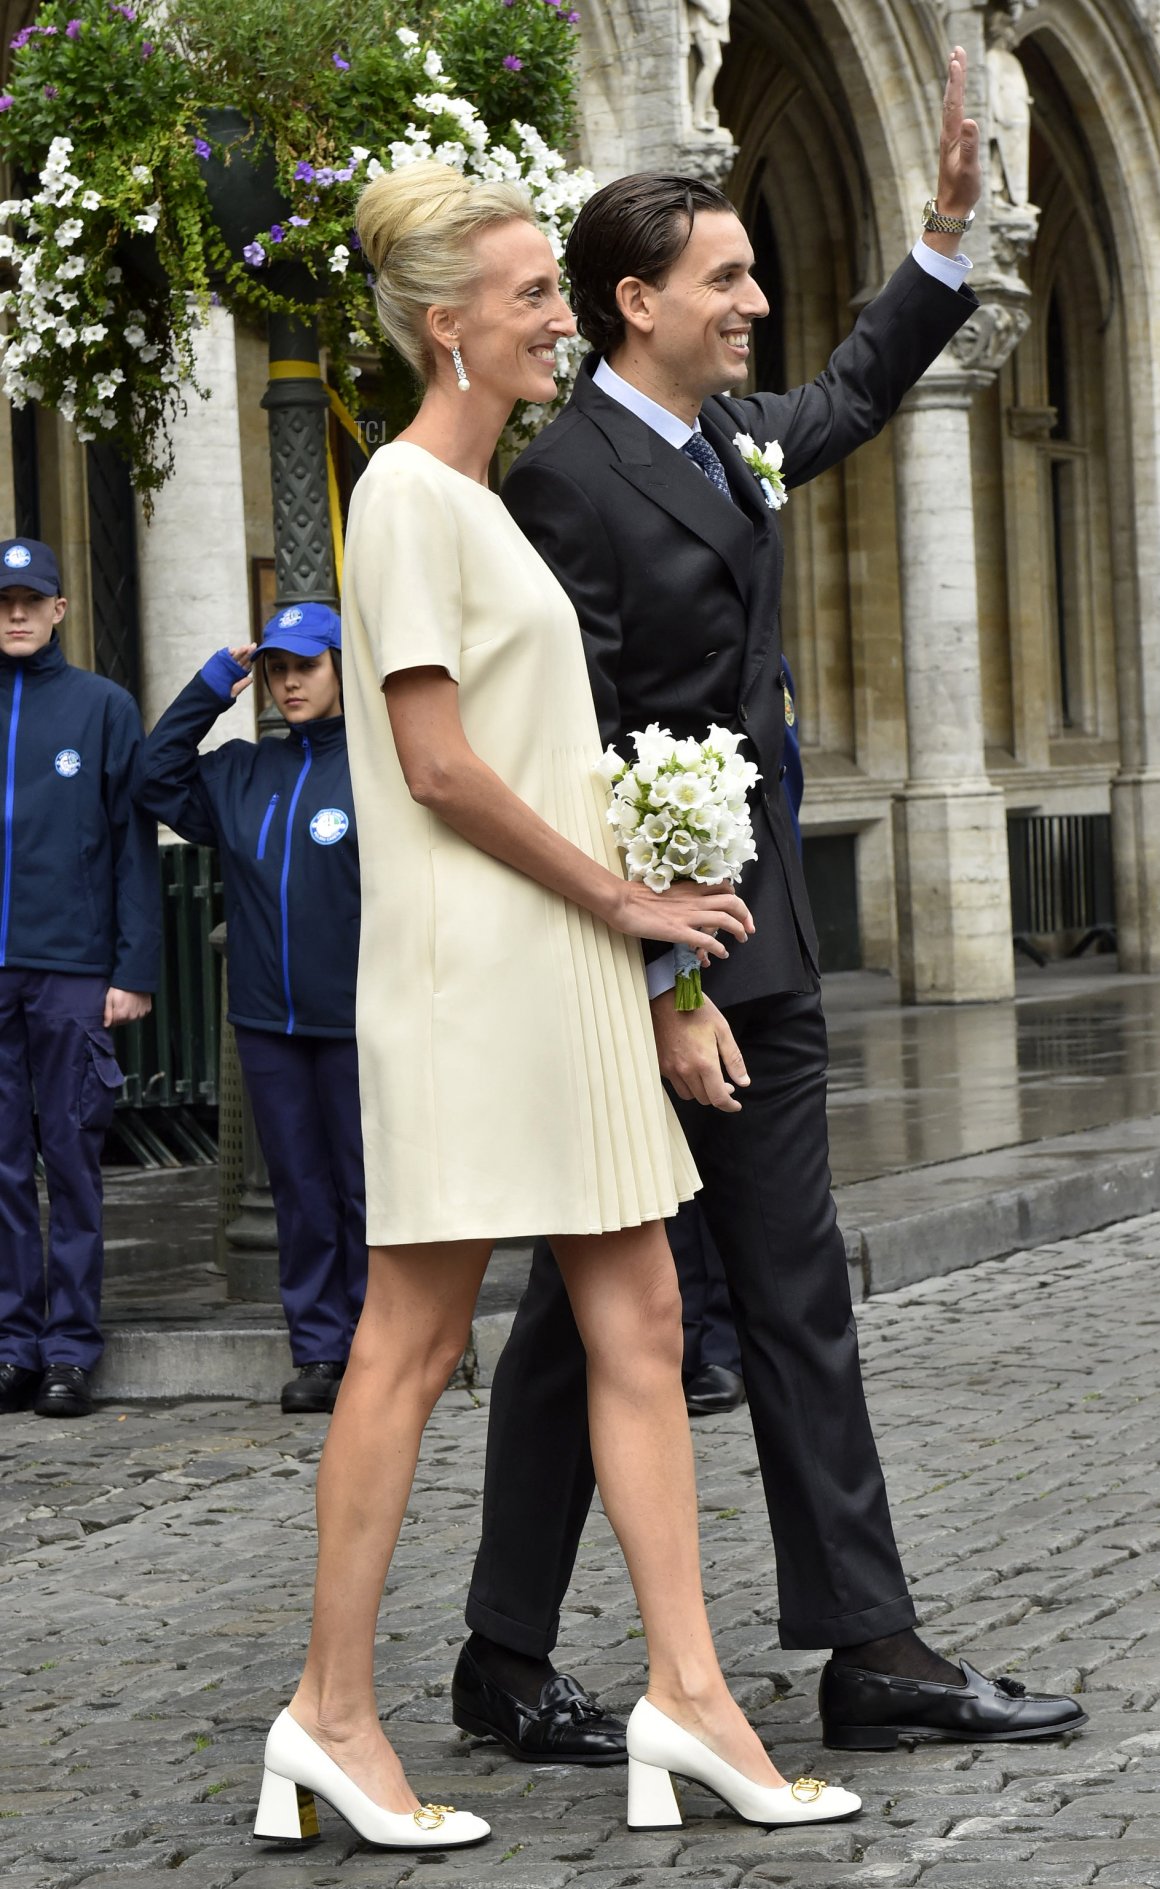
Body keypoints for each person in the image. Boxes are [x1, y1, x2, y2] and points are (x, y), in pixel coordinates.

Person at [453, 48, 1088, 1757]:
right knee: (592, 1312)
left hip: (766, 942)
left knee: (782, 1286)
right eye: (725, 279)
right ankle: (507, 1651)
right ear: (632, 300)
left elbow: (859, 389)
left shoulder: (734, 435)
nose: (753, 302)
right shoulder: (560, 481)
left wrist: (945, 239)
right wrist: (662, 987)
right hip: (645, 966)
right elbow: (571, 749)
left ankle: (863, 1645)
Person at [250, 162, 862, 1856]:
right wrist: (627, 900)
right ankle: (331, 1711)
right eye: (529, 294)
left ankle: (695, 1693)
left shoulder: (488, 491)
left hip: (571, 964)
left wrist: (653, 966)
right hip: (475, 970)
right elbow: (439, 764)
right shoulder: (405, 504)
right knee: (414, 1338)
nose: (554, 315)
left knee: (647, 1317)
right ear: (448, 323)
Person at [134, 605, 367, 1414]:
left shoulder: (377, 767)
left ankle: (381, 1348)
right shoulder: (239, 771)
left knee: (367, 1188)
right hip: (269, 1022)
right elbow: (152, 775)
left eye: (306, 665)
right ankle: (320, 1350)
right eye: (277, 668)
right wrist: (209, 686)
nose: (290, 681)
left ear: (342, 667)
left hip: (358, 1022)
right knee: (302, 1190)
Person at [0, 536, 158, 1420]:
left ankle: (69, 1349)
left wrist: (132, 966)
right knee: (1, 1167)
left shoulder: (102, 707)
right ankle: (11, 1344)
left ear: (59, 609)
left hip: (70, 970)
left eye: (32, 600)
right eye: (3, 601)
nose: (16, 614)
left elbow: (133, 844)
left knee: (71, 1161)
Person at [677, 652, 803, 1421]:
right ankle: (690, 1342)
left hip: (744, 925)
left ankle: (720, 1343)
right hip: (663, 928)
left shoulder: (762, 669)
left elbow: (779, 787)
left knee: (733, 1147)